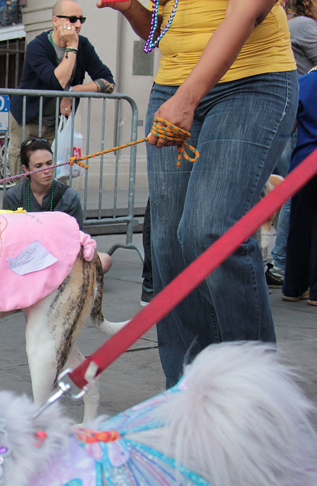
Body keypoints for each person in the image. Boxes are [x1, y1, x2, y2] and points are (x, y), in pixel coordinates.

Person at [99, 0, 297, 388]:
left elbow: (245, 13)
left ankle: (256, 394)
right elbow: (164, 28)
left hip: (252, 83)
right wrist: (130, 9)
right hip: (172, 86)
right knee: (169, 249)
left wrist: (188, 98)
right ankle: (189, 394)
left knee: (209, 230)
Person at [7, 0, 114, 177]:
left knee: (54, 177)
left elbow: (108, 82)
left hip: (57, 124)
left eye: (81, 19)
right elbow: (56, 82)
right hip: (28, 119)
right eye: (72, 19)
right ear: (55, 21)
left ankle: (51, 206)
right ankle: (25, 205)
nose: (78, 25)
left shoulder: (84, 45)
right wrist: (72, 46)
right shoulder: (38, 46)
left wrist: (73, 91)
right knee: (24, 174)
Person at [2, 138, 112, 273]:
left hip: (62, 256)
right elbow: (10, 240)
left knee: (105, 260)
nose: (46, 170)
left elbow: (78, 238)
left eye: (49, 163)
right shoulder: (13, 196)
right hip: (26, 257)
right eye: (39, 166)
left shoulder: (69, 196)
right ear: (26, 169)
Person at [266, 0, 317, 288]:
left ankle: (292, 282)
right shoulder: (304, 27)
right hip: (307, 149)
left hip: (301, 151)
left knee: (296, 211)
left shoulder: (307, 82)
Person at [282, 66, 317, 306]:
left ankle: (293, 286)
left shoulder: (304, 82)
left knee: (299, 225)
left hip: (304, 162)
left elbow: (289, 126)